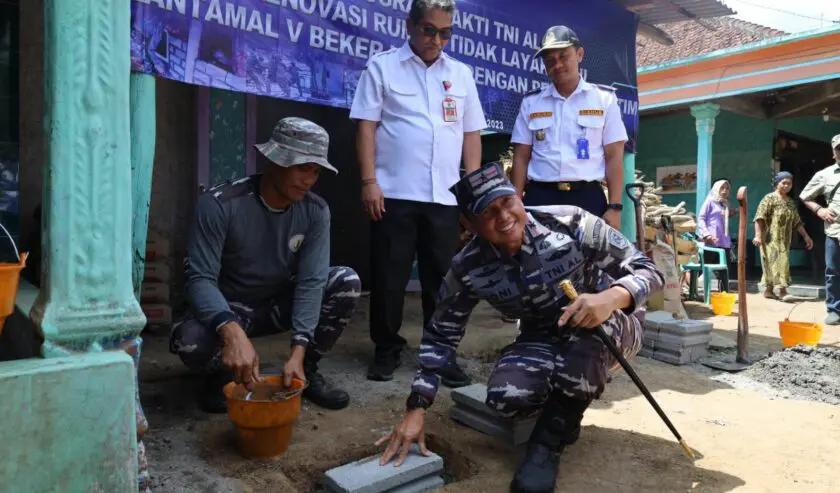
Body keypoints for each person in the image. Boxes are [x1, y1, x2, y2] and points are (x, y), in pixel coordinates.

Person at [375, 162, 664, 493]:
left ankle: (546, 446)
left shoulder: (571, 221)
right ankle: (570, 405)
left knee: (586, 337)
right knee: (507, 398)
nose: (504, 217)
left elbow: (648, 270)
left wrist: (611, 298)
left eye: (507, 202)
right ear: (468, 223)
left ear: (519, 197)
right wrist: (417, 408)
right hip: (542, 337)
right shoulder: (469, 266)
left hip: (612, 326)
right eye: (488, 212)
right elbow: (441, 335)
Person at [169, 117, 362, 412]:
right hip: (228, 306)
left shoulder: (315, 211)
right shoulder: (220, 204)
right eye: (301, 168)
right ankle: (223, 373)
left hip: (276, 303)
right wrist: (231, 332)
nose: (309, 180)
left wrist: (299, 349)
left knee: (345, 282)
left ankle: (303, 370)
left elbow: (311, 281)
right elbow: (199, 280)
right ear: (275, 160)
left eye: (316, 171)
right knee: (189, 340)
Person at [350, 0, 486, 384]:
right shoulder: (382, 67)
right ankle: (387, 348)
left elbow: (470, 133)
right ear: (409, 25)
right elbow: (366, 128)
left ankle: (439, 352)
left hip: (444, 196)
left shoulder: (460, 75)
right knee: (390, 276)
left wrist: (472, 191)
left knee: (442, 281)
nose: (436, 40)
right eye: (429, 30)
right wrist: (368, 181)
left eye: (445, 33)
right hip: (392, 192)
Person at [510, 25, 628, 230]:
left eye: (564, 56)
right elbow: (521, 157)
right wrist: (516, 201)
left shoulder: (604, 100)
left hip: (588, 198)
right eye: (550, 61)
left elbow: (614, 156)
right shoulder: (531, 103)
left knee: (590, 262)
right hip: (540, 198)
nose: (558, 65)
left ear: (579, 54)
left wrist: (615, 207)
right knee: (537, 261)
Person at [753, 172, 813, 300]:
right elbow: (759, 217)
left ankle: (769, 291)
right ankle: (782, 291)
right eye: (783, 183)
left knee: (782, 262)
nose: (786, 186)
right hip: (770, 239)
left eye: (789, 183)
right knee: (773, 263)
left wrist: (806, 236)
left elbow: (797, 222)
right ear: (777, 183)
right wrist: (758, 236)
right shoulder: (769, 198)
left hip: (785, 241)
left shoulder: (790, 202)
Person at [800, 134, 840, 325]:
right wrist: (820, 210)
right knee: (832, 271)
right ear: (833, 152)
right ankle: (834, 309)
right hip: (835, 231)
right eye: (838, 148)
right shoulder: (825, 175)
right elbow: (805, 196)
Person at [697, 179, 737, 289]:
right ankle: (705, 293)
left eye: (727, 188)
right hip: (711, 241)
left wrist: (733, 211)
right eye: (722, 188)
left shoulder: (725, 203)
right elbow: (701, 218)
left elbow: (725, 217)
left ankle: (724, 294)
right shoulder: (710, 201)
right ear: (716, 189)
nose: (725, 191)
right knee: (707, 270)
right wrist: (706, 235)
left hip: (724, 241)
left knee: (725, 270)